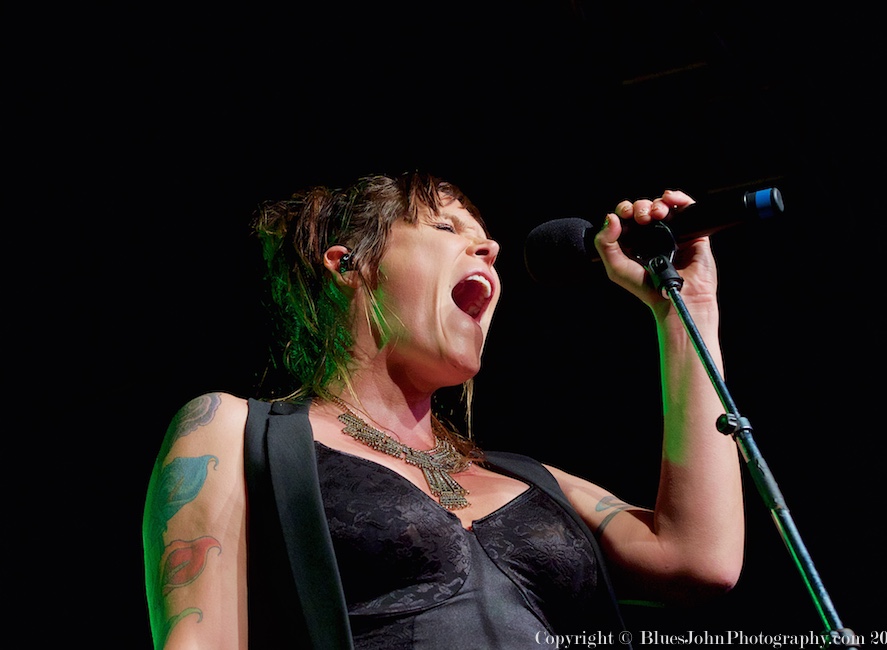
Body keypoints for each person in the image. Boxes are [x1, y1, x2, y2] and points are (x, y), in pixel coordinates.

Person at [142, 172, 745, 649]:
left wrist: (688, 310)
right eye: (444, 225)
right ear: (347, 263)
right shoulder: (236, 432)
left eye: (483, 235)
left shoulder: (526, 480)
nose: (490, 246)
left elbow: (699, 558)